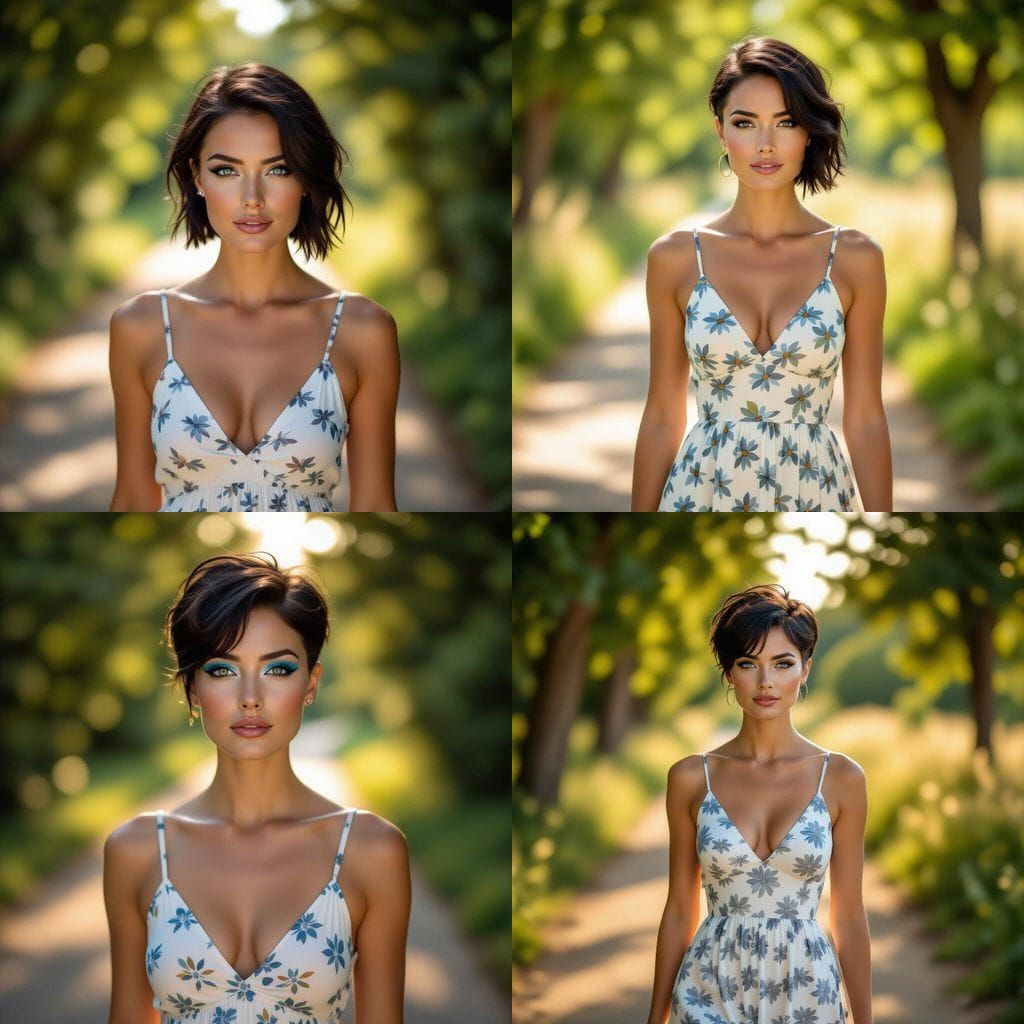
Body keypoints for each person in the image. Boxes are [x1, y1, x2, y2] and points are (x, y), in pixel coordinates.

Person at [103, 553, 411, 1023]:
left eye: (278, 669)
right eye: (222, 670)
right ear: (191, 687)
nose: (250, 697)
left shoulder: (371, 851)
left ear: (311, 682)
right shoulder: (136, 852)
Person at [109, 63, 399, 512]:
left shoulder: (363, 330)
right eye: (226, 170)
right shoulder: (140, 327)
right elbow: (130, 498)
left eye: (278, 169)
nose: (252, 197)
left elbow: (377, 504)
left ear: (305, 179)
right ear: (197, 177)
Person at [632, 37, 892, 512]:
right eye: (745, 123)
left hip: (816, 490)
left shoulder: (855, 258)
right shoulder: (675, 259)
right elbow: (662, 416)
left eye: (786, 122)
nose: (766, 144)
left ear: (809, 132)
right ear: (720, 131)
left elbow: (867, 418)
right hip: (700, 490)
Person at [646, 584, 871, 1024]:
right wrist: (656, 1017)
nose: (765, 682)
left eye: (782, 664)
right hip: (710, 986)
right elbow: (678, 910)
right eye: (748, 663)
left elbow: (849, 918)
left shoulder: (841, 778)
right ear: (729, 673)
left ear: (805, 670)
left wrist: (865, 1020)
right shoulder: (692, 777)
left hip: (808, 989)